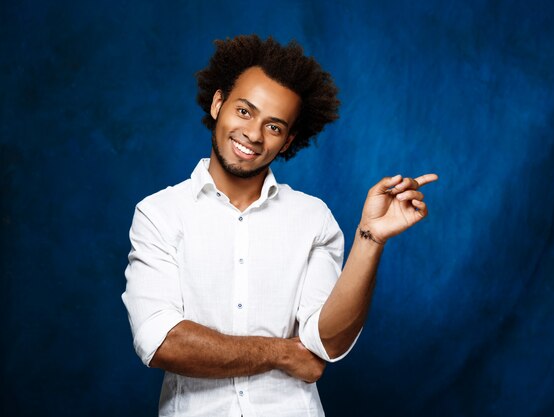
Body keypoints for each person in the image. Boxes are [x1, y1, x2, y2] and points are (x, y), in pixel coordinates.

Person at [122, 34, 437, 417]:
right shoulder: (158, 213)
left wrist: (370, 238)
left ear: (288, 141)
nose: (253, 135)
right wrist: (283, 353)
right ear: (218, 103)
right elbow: (162, 343)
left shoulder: (312, 217)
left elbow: (326, 344)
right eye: (244, 112)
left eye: (273, 127)